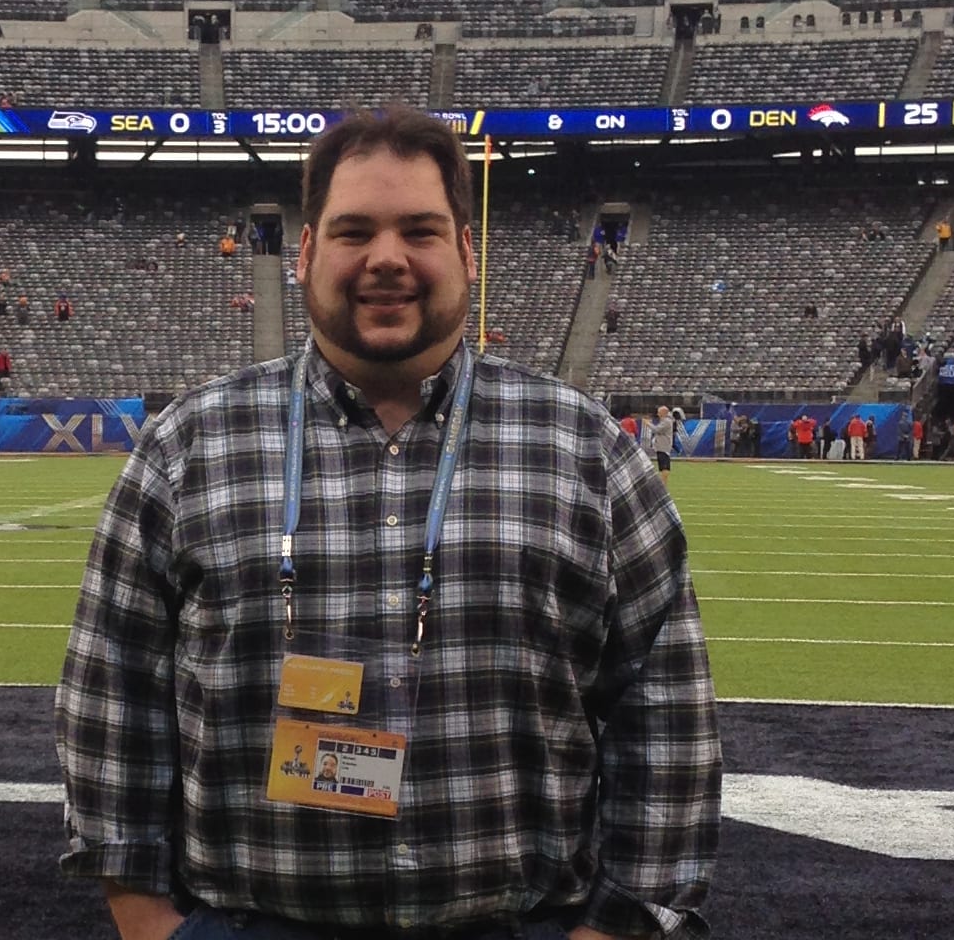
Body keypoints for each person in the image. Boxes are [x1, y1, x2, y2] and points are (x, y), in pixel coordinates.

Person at [58, 108, 717, 940]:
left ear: (468, 255)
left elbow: (665, 710)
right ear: (305, 254)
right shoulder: (188, 444)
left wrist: (617, 927)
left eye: (420, 230)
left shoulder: (585, 448)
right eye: (353, 231)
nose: (387, 259)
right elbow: (110, 690)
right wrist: (149, 919)